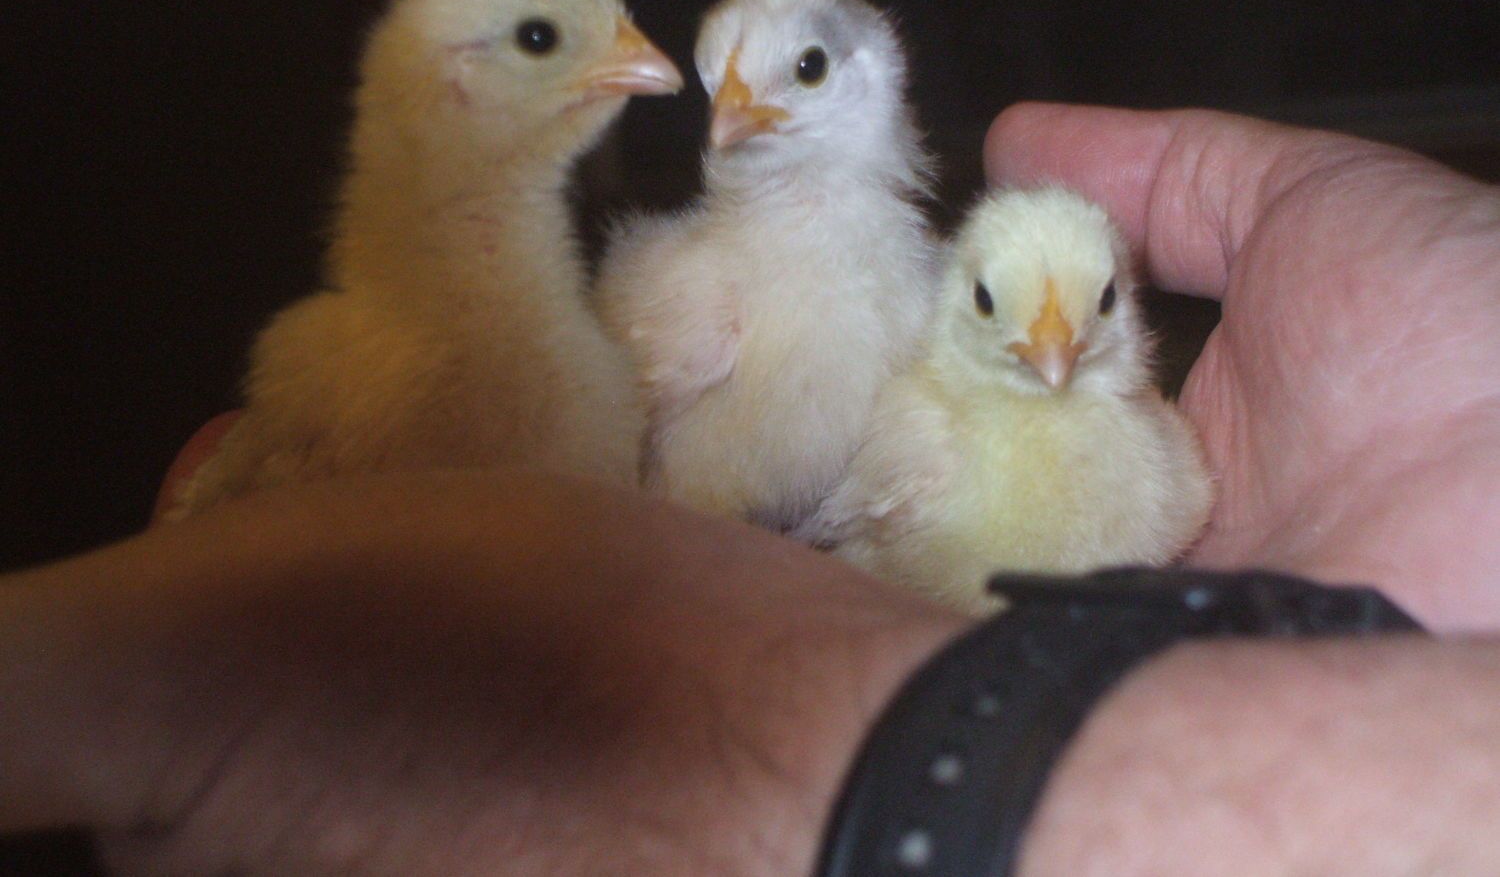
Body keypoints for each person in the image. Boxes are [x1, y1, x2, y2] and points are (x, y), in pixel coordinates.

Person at [3, 103, 1499, 874]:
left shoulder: (1162, 468)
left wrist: (769, 737)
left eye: (1085, 313)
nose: (1050, 350)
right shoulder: (908, 420)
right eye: (1006, 314)